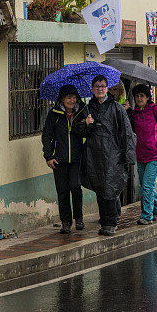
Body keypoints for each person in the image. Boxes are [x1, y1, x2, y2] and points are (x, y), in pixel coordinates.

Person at [75, 75, 136, 236]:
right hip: (94, 155)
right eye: (96, 86)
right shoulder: (88, 109)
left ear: (107, 88)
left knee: (110, 188)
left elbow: (127, 133)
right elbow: (81, 132)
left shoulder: (116, 108)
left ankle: (111, 222)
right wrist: (86, 124)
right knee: (100, 189)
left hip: (112, 154)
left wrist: (128, 157)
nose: (100, 89)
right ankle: (104, 220)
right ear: (92, 89)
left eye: (102, 86)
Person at [42, 84, 87, 234]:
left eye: (74, 97)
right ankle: (66, 222)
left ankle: (79, 218)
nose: (72, 100)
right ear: (62, 99)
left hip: (76, 158)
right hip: (58, 159)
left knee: (75, 187)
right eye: (69, 97)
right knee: (62, 191)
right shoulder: (54, 114)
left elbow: (88, 133)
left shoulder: (82, 112)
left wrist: (87, 124)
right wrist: (48, 156)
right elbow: (46, 136)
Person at [129, 84, 157, 225]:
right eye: (137, 96)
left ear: (148, 97)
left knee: (147, 186)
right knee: (145, 185)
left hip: (155, 156)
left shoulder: (155, 110)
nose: (139, 98)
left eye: (142, 96)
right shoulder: (134, 113)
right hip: (141, 155)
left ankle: (146, 216)